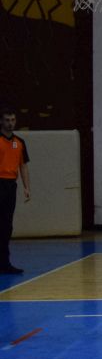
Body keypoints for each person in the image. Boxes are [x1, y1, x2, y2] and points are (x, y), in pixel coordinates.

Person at [0, 109, 31, 274]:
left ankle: (5, 263)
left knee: (7, 226)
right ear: (1, 121)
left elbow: (23, 166)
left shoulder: (19, 142)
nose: (10, 123)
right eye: (7, 120)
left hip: (10, 186)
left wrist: (26, 187)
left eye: (12, 120)